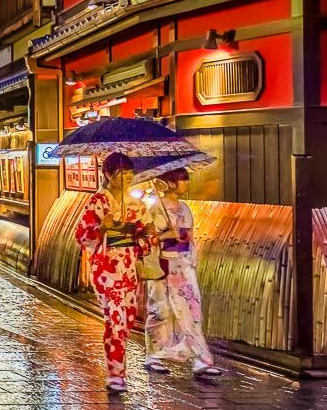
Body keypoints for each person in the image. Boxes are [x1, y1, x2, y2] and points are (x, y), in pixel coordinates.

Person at [74, 153, 153, 393]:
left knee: (126, 317)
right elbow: (82, 236)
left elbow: (147, 239)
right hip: (106, 267)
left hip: (129, 267)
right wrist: (102, 227)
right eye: (121, 174)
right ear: (108, 175)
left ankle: (116, 369)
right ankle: (116, 373)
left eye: (129, 173)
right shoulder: (98, 202)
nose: (126, 178)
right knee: (117, 318)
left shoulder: (137, 205)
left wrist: (146, 233)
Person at [143, 169, 222, 379]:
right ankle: (154, 354)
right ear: (169, 183)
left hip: (183, 265)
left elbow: (190, 238)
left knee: (192, 310)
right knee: (161, 310)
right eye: (181, 179)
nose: (186, 183)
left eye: (186, 179)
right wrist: (165, 235)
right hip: (164, 264)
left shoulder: (185, 209)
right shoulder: (155, 209)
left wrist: (190, 256)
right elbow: (147, 239)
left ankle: (201, 359)